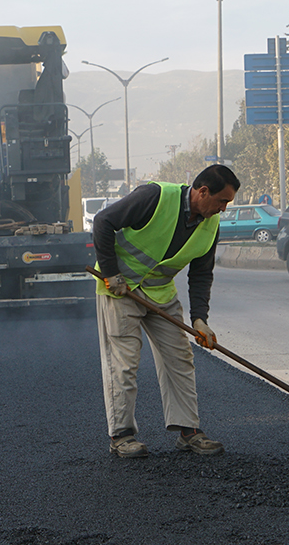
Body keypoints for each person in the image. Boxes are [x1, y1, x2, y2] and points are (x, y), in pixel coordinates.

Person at [92, 164, 239, 458]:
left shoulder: (210, 225)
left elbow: (201, 274)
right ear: (203, 191)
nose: (223, 209)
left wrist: (200, 319)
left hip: (160, 293)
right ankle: (121, 436)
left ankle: (189, 431)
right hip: (120, 290)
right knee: (124, 363)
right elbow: (103, 221)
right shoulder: (155, 197)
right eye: (222, 201)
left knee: (180, 357)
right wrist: (110, 273)